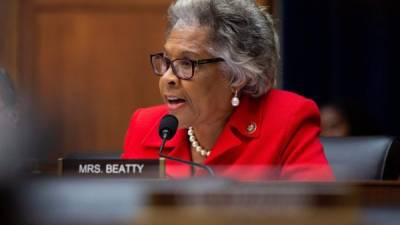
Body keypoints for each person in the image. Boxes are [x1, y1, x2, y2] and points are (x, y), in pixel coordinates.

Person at [122, 0, 334, 181]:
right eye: (167, 60)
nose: (168, 77)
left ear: (236, 75)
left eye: (186, 63)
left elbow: (320, 212)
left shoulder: (287, 120)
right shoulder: (146, 126)